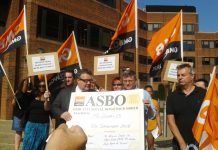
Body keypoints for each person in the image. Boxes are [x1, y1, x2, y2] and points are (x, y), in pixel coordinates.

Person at [166, 63, 206, 150]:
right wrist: (182, 144)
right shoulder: (172, 97)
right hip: (179, 143)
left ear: (192, 76)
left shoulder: (203, 94)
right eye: (178, 75)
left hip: (202, 142)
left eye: (183, 75)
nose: (180, 77)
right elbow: (171, 122)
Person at [121, 69, 156, 149]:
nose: (127, 83)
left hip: (139, 135)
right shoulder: (119, 94)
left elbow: (153, 116)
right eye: (125, 81)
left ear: (135, 81)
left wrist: (149, 107)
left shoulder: (144, 93)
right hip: (122, 135)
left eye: (130, 81)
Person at [22, 81, 50, 150]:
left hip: (42, 125)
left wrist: (47, 99)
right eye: (40, 86)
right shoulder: (32, 95)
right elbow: (23, 93)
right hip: (31, 125)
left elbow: (46, 109)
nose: (41, 88)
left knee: (39, 146)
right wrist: (25, 83)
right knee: (28, 145)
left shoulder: (49, 96)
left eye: (43, 86)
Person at [11, 78, 35, 150]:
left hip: (26, 115)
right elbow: (13, 104)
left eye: (27, 83)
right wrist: (14, 98)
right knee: (18, 132)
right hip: (18, 115)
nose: (26, 85)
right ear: (21, 85)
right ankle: (16, 149)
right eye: (24, 83)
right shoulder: (18, 93)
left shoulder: (29, 94)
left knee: (27, 133)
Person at [144, 85, 162, 150]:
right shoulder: (140, 101)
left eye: (150, 91)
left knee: (150, 146)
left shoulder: (155, 102)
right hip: (142, 127)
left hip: (151, 128)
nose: (148, 93)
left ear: (152, 93)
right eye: (147, 91)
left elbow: (157, 115)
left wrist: (160, 128)